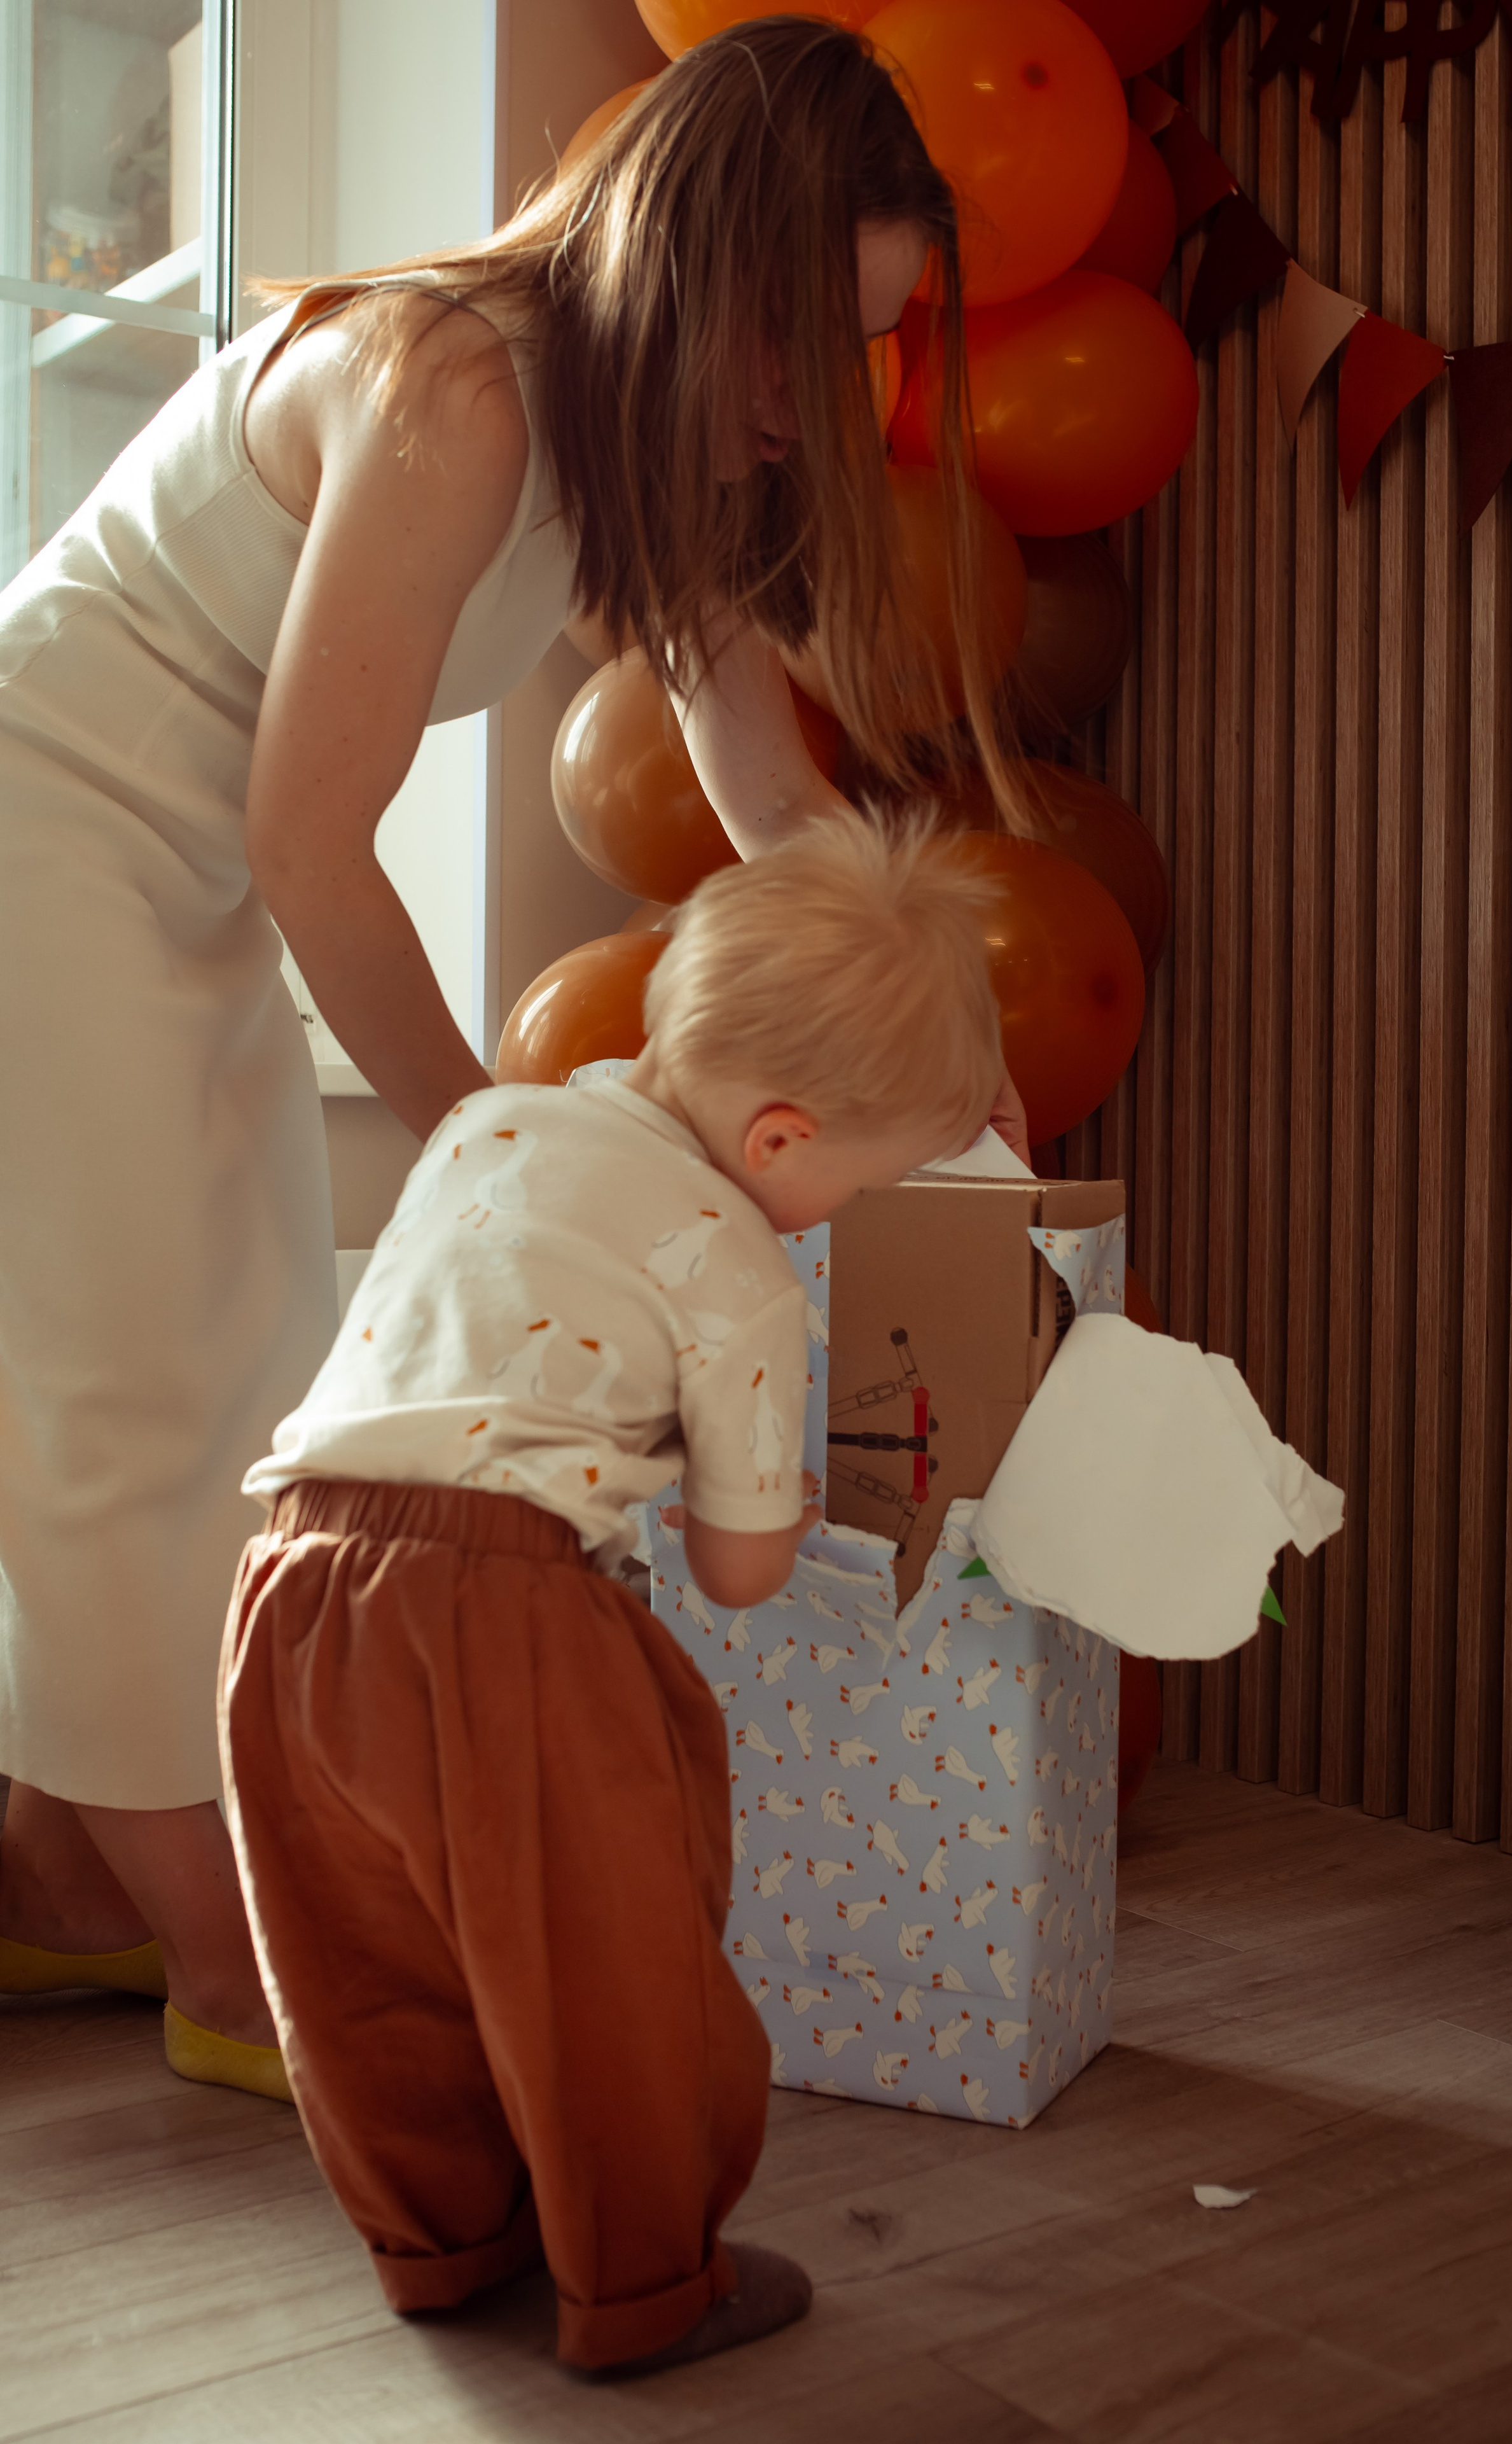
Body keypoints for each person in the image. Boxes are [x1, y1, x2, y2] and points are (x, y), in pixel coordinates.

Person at [0, 19, 1023, 2090]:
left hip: (175, 877)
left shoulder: (657, 463)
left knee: (267, 1372)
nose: (815, 402)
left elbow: (767, 799)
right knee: (132, 1403)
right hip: (50, 821)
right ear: (700, 252)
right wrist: (493, 1154)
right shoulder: (463, 386)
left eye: (865, 354)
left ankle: (61, 1879)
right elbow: (314, 836)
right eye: (807, 338)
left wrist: (953, 1067)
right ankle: (237, 1963)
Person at [218, 817, 1004, 2373]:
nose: (852, 1210)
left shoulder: (485, 1125)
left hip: (286, 1584)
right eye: (872, 1176)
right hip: (496, 1602)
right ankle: (647, 2281)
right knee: (610, 1958)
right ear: (777, 1140)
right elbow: (736, 1564)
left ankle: (440, 2247)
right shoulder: (739, 1265)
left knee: (370, 1962)